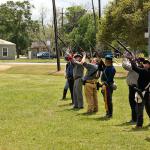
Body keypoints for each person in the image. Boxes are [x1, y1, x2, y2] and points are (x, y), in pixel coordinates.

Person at [129, 58, 150, 128]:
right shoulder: (146, 70)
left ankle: (139, 125)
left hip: (142, 93)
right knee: (148, 109)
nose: (144, 64)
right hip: (147, 92)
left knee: (139, 110)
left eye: (146, 63)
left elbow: (135, 68)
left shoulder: (144, 71)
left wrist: (131, 60)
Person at [122, 57, 139, 123]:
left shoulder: (135, 67)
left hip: (134, 87)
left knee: (133, 103)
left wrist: (125, 59)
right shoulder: (136, 66)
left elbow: (125, 66)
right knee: (133, 103)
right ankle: (134, 118)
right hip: (133, 87)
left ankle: (135, 119)